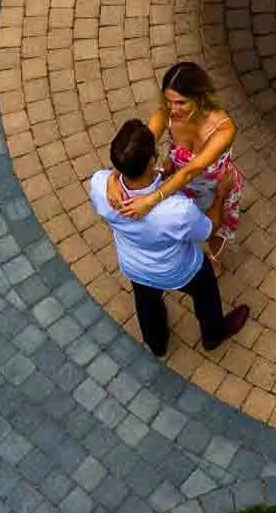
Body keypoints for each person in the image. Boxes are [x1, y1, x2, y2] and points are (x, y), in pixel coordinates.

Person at [90, 118, 249, 357]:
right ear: (153, 160)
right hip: (178, 269)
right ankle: (213, 334)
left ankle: (157, 343)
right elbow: (209, 229)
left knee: (145, 301)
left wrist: (114, 177)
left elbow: (110, 176)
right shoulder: (177, 210)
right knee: (206, 291)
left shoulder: (100, 184)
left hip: (134, 264)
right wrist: (220, 195)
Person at [118, 61, 242, 273]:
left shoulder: (224, 128)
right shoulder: (165, 114)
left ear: (200, 98)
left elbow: (191, 170)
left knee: (215, 231)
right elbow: (137, 148)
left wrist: (150, 201)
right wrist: (114, 178)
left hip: (213, 187)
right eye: (168, 102)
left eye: (181, 103)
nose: (172, 110)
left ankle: (215, 261)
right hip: (177, 184)